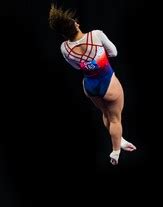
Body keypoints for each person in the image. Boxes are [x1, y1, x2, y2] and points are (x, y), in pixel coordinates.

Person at [48, 4, 136, 165]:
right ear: (75, 24)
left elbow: (76, 66)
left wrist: (89, 64)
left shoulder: (64, 48)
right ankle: (115, 152)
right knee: (116, 119)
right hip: (108, 82)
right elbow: (114, 52)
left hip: (89, 85)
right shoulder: (96, 35)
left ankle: (120, 140)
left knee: (105, 113)